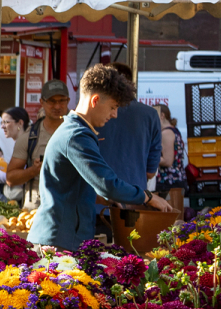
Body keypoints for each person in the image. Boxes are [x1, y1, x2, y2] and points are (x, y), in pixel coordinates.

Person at [28, 63, 172, 251]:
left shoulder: (76, 131)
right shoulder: (77, 135)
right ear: (95, 100)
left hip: (64, 237)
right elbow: (107, 184)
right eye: (113, 107)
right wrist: (147, 196)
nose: (115, 114)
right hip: (59, 240)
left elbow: (72, 187)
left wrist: (105, 199)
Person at [96, 63, 161, 205]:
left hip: (97, 204)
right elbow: (150, 172)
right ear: (131, 84)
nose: (113, 114)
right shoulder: (150, 115)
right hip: (134, 205)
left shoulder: (93, 114)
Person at [7, 79, 70, 210]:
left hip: (69, 209)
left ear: (68, 101)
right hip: (35, 213)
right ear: (42, 102)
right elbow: (10, 179)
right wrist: (32, 171)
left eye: (61, 101)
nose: (57, 106)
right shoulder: (30, 138)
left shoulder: (79, 134)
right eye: (52, 101)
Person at [157, 103, 187, 211]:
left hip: (169, 182)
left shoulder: (166, 133)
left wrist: (148, 159)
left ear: (162, 115)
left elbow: (168, 161)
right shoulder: (173, 130)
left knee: (170, 219)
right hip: (174, 181)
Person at [0, 107, 30, 202]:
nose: (2, 126)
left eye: (6, 122)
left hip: (25, 199)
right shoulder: (15, 144)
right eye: (2, 122)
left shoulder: (28, 144)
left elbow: (24, 173)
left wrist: (0, 175)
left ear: (20, 123)